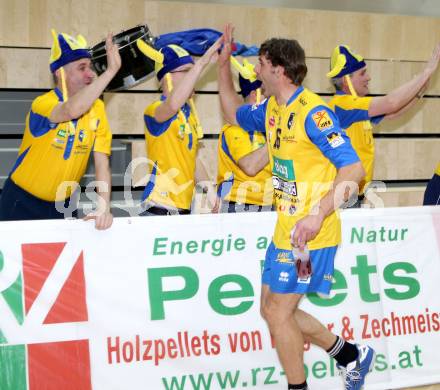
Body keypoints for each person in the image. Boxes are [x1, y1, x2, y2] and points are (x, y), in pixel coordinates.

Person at [218, 24, 371, 390]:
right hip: (286, 231)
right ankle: (348, 354)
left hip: (312, 235)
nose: (255, 70)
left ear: (278, 70)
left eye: (260, 64)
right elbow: (232, 114)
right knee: (270, 309)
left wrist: (318, 214)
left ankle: (298, 386)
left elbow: (354, 169)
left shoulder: (314, 113)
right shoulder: (271, 108)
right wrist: (222, 66)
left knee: (278, 311)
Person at [0, 29, 121, 229]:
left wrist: (103, 207)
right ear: (60, 72)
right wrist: (110, 72)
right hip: (21, 203)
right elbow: (71, 110)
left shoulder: (98, 108)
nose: (90, 74)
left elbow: (101, 163)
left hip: (63, 206)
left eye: (90, 67)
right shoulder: (43, 104)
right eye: (82, 67)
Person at [327, 44, 440, 207]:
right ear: (347, 80)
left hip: (355, 194)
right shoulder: (344, 105)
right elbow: (391, 102)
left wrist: (420, 91)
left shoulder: (356, 107)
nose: (368, 77)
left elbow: (393, 114)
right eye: (363, 73)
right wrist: (426, 72)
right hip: (344, 196)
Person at [138, 40, 221, 215]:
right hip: (159, 207)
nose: (193, 78)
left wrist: (210, 190)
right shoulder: (154, 111)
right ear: (167, 77)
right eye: (186, 72)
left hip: (184, 207)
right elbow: (172, 104)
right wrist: (202, 63)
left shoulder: (187, 113)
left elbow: (192, 160)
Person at [214, 59, 273, 213]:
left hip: (269, 204)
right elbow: (250, 166)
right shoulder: (235, 129)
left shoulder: (266, 125)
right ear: (255, 94)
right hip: (239, 206)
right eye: (267, 94)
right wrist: (278, 135)